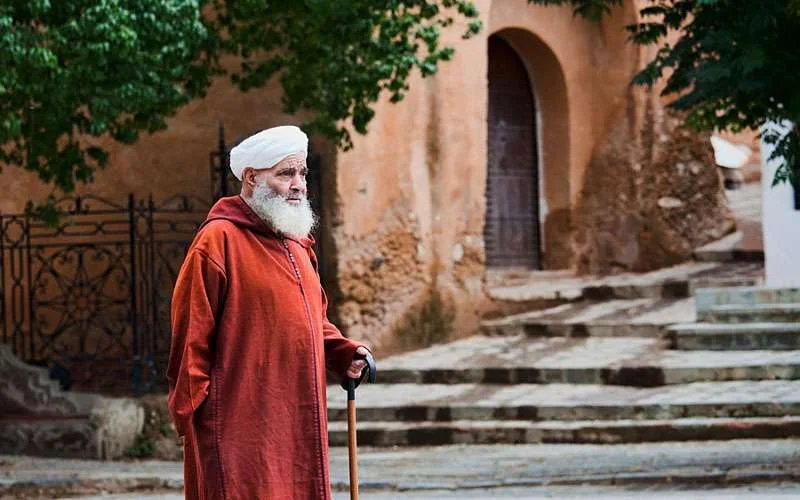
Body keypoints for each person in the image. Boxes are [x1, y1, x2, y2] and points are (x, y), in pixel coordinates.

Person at [167, 125, 372, 499]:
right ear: (251, 178)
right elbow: (190, 335)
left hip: (297, 418)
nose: (298, 184)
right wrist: (201, 417)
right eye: (285, 173)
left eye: (302, 173)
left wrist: (343, 352)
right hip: (238, 424)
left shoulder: (296, 244)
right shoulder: (218, 241)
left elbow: (314, 320)